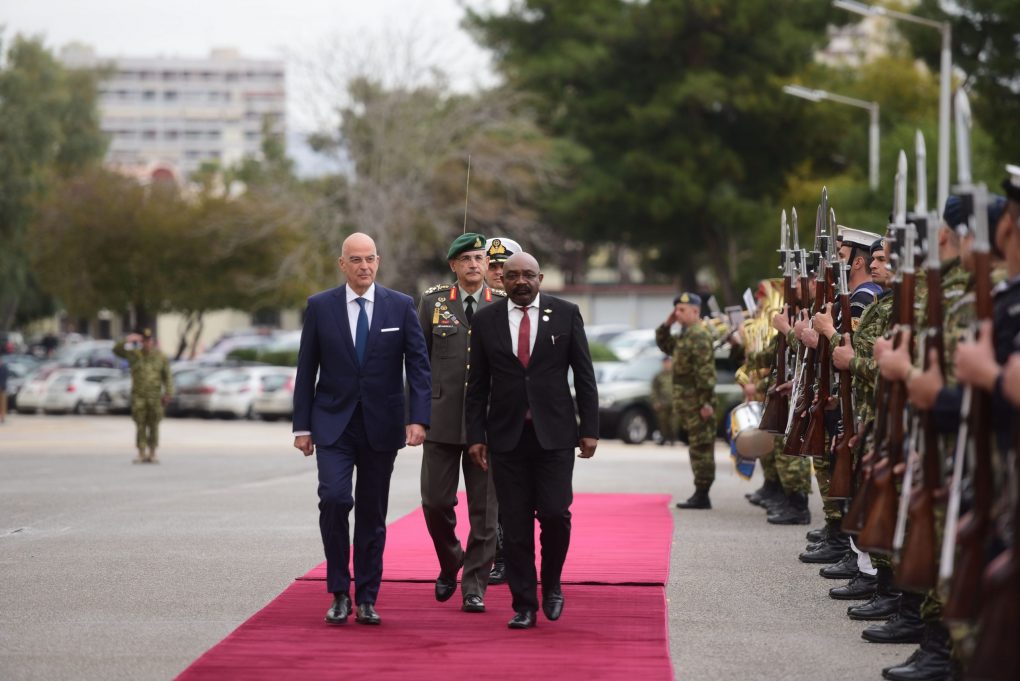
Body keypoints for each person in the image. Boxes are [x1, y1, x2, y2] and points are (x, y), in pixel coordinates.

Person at [292, 232, 431, 627]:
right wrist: (302, 426)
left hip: (381, 427)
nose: (364, 266)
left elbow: (418, 367)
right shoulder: (320, 307)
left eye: (369, 259)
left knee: (372, 514)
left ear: (378, 261)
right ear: (343, 264)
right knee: (335, 500)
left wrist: (418, 417)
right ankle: (339, 591)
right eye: (355, 259)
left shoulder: (400, 306)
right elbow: (307, 369)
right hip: (332, 424)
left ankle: (367, 597)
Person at [465, 251, 599, 629]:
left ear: (540, 278)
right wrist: (476, 435)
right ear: (502, 281)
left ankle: (552, 584)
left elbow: (584, 376)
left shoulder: (566, 313)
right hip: (506, 438)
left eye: (528, 275)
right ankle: (524, 603)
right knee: (516, 524)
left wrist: (589, 429)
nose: (521, 282)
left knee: (556, 514)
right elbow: (477, 387)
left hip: (555, 436)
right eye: (512, 276)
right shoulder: (487, 319)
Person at [417, 233, 502, 613]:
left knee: (485, 511)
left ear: (487, 265)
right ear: (453, 265)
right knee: (435, 502)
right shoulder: (434, 301)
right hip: (441, 419)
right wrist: (415, 416)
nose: (473, 264)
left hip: (487, 424)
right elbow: (418, 364)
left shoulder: (500, 304)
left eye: (479, 258)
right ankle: (452, 560)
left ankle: (474, 586)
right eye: (465, 258)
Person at [480, 235, 522, 586]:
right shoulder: (475, 307)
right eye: (491, 266)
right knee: (486, 493)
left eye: (502, 265)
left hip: (519, 414)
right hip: (483, 414)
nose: (496, 272)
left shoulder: (530, 307)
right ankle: (495, 557)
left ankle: (515, 556)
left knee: (518, 493)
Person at [655, 292, 717, 509]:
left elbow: (705, 373)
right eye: (676, 310)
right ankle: (700, 491)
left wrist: (706, 403)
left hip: (698, 403)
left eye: (682, 310)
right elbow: (665, 345)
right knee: (696, 447)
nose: (678, 314)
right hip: (688, 403)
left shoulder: (699, 335)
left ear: (696, 311)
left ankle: (703, 493)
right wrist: (667, 324)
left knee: (702, 447)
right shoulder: (685, 334)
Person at [113, 328, 173, 463]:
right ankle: (141, 452)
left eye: (149, 341)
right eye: (144, 341)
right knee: (140, 425)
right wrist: (128, 339)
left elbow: (167, 376)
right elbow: (116, 350)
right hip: (139, 396)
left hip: (155, 396)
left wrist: (168, 393)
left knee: (154, 425)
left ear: (153, 342)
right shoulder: (135, 355)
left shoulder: (160, 357)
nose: (147, 344)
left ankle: (152, 452)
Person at [650, 356, 674, 445]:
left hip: (674, 403)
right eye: (665, 363)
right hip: (663, 403)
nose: (667, 364)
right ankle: (663, 438)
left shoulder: (676, 375)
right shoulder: (658, 376)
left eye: (669, 362)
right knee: (663, 422)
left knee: (673, 423)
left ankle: (673, 439)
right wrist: (656, 401)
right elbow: (654, 390)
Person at [0, 355, 8, 424]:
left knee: (3, 404)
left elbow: (5, 378)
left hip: (2, 388)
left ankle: (2, 417)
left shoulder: (4, 367)